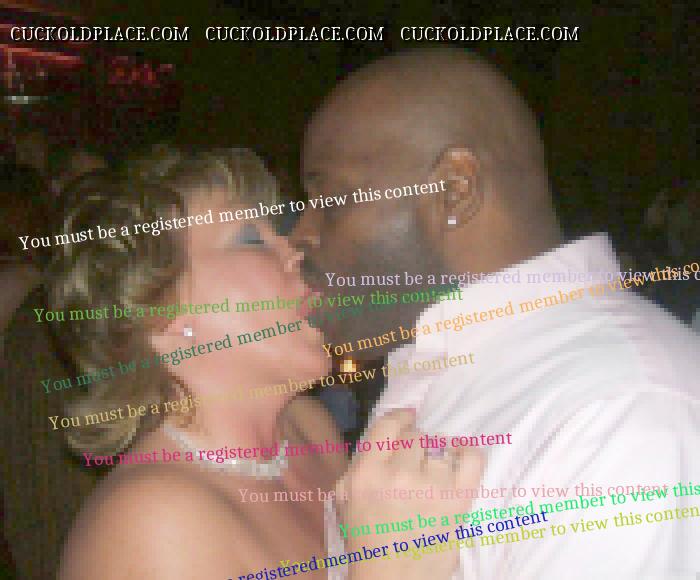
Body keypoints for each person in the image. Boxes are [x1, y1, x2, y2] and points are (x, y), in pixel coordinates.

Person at [292, 48, 700, 579]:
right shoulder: (451, 368)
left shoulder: (621, 412)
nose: (301, 235)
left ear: (454, 190)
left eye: (331, 200)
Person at [55, 149, 482, 579]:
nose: (294, 249)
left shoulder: (308, 428)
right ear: (161, 318)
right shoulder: (151, 522)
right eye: (251, 239)